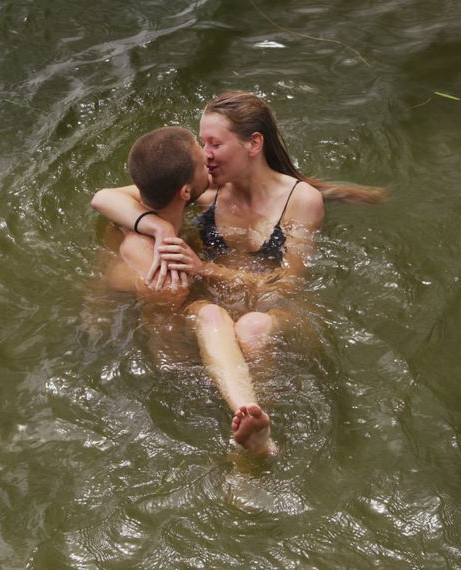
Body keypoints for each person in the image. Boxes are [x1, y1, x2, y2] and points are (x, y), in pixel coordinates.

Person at [93, 92, 385, 454]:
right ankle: (252, 436)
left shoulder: (301, 200)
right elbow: (105, 197)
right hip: (215, 316)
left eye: (214, 143)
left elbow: (289, 284)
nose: (204, 154)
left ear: (254, 144)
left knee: (253, 327)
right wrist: (158, 229)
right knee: (215, 318)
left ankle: (258, 428)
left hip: (278, 316)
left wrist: (206, 269)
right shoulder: (207, 190)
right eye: (202, 143)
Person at [99, 125, 278, 456]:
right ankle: (247, 414)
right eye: (201, 159)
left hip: (205, 347)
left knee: (237, 322)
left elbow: (102, 197)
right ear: (184, 192)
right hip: (178, 360)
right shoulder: (148, 250)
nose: (208, 157)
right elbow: (164, 295)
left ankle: (254, 435)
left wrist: (161, 226)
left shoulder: (156, 210)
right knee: (212, 314)